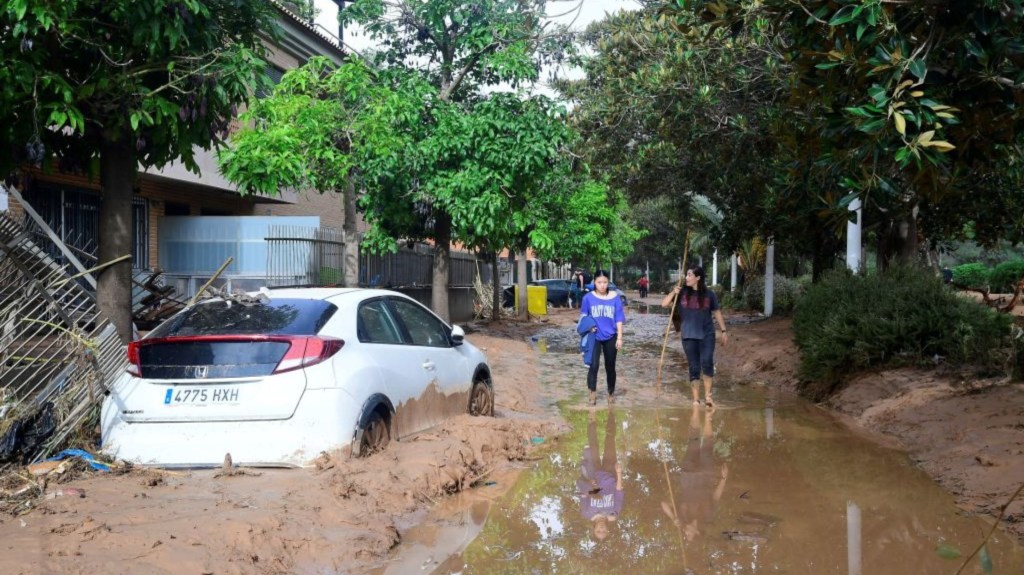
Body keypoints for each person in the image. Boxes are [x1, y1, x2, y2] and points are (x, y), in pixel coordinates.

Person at [661, 265, 728, 406]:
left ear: (698, 278)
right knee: (694, 367)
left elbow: (716, 312)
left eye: (689, 275)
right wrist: (674, 292)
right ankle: (696, 399)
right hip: (688, 335)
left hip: (707, 334)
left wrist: (723, 331)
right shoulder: (681, 292)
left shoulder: (710, 295)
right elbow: (664, 304)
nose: (686, 277)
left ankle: (708, 397)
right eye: (686, 275)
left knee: (707, 362)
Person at [661, 403, 727, 542]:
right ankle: (708, 417)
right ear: (697, 532)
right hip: (706, 476)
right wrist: (723, 479)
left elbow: (664, 504)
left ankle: (696, 409)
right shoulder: (708, 516)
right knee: (708, 445)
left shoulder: (681, 518)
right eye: (689, 535)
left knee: (693, 441)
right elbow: (715, 497)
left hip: (688, 475)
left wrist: (673, 518)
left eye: (685, 535)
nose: (686, 533)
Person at [580, 270, 626, 405]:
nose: (602, 285)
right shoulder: (587, 298)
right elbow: (583, 317)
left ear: (608, 282)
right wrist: (588, 327)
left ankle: (611, 393)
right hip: (594, 336)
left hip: (611, 336)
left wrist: (620, 338)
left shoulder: (615, 298)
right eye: (599, 282)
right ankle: (592, 394)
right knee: (593, 366)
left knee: (610, 366)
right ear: (594, 282)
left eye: (605, 282)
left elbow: (619, 319)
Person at [578, 407, 624, 541]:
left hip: (593, 473)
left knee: (593, 444)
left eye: (598, 531)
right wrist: (619, 473)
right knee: (610, 441)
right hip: (610, 473)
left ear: (594, 529)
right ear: (608, 530)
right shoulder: (614, 513)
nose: (601, 529)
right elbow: (619, 492)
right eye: (603, 531)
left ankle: (592, 414)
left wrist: (589, 486)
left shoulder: (586, 513)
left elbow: (583, 493)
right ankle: (611, 412)